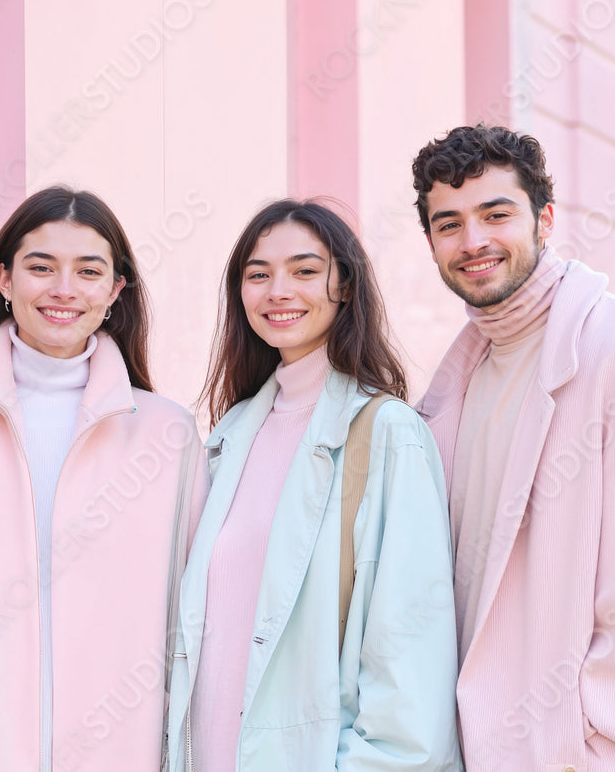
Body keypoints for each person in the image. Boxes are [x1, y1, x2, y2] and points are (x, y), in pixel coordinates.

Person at [411, 124, 615, 770]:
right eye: (449, 224)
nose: (473, 242)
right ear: (431, 242)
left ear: (544, 219)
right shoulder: (453, 387)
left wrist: (598, 752)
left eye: (495, 214)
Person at [0, 186, 206, 772]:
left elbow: (192, 636)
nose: (63, 289)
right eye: (41, 266)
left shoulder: (169, 438)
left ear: (115, 290)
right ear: (4, 281)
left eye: (88, 270)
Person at [163, 199, 461, 771]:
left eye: (304, 271)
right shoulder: (229, 438)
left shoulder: (384, 433)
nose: (278, 290)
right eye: (258, 274)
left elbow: (410, 659)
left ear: (345, 287)